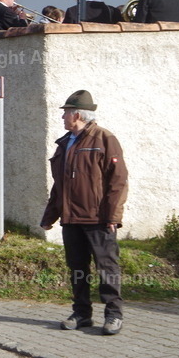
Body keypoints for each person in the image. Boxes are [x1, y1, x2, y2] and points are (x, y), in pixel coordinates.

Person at [41, 90, 128, 336]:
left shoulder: (104, 139)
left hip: (98, 219)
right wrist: (50, 217)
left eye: (66, 112)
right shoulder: (65, 142)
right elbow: (60, 185)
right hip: (71, 219)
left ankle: (113, 315)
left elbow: (118, 181)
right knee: (77, 268)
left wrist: (113, 217)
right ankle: (81, 314)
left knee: (106, 267)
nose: (63, 117)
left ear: (77, 114)